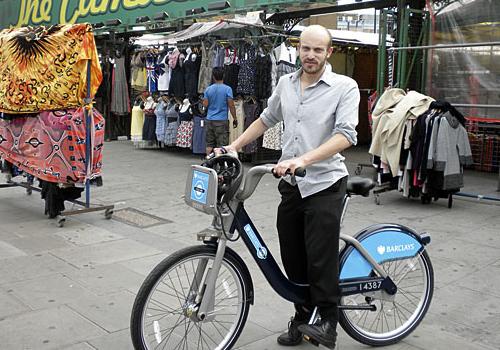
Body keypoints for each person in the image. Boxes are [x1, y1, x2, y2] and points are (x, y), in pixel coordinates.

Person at [221, 25, 359, 349]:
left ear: (329, 52)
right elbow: (266, 119)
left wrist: (305, 160)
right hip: (291, 185)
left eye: (318, 50)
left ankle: (327, 319)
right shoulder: (286, 83)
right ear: (298, 49)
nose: (311, 55)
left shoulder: (344, 87)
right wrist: (234, 146)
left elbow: (346, 135)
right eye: (306, 49)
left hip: (325, 182)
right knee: (293, 256)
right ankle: (302, 316)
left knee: (319, 256)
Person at [202, 67, 238, 156]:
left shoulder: (208, 89)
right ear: (224, 76)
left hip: (209, 119)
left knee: (209, 144)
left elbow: (205, 105)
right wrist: (235, 118)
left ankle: (209, 163)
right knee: (222, 145)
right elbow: (231, 106)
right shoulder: (227, 89)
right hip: (222, 121)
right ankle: (220, 164)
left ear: (213, 77)